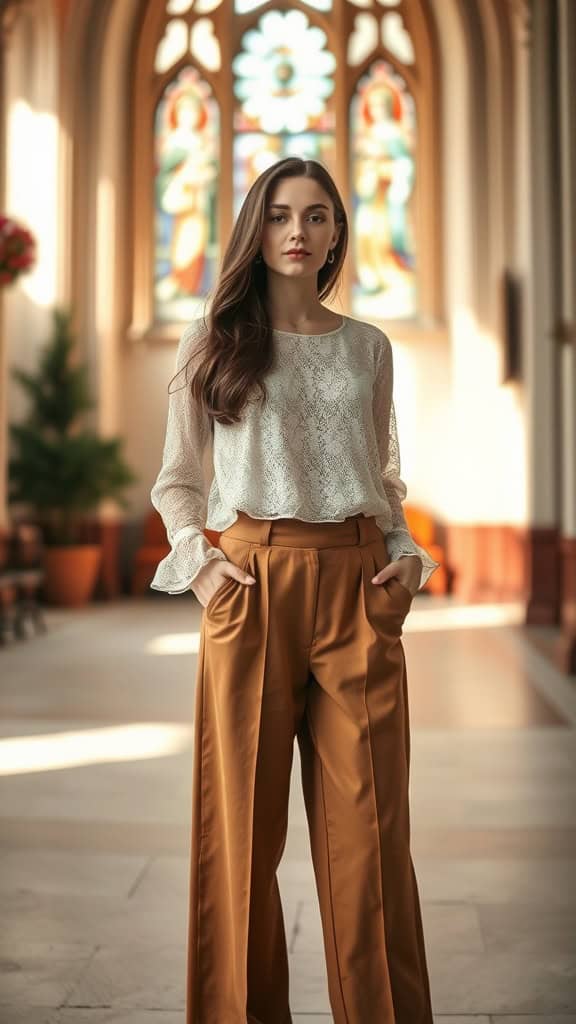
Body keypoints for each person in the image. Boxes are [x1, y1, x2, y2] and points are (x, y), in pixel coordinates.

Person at [149, 155, 440, 1024]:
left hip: (358, 585)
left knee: (372, 837)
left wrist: (404, 557)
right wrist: (201, 569)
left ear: (337, 233)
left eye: (316, 216)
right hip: (251, 582)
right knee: (240, 835)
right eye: (279, 215)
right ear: (256, 228)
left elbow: (384, 477)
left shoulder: (368, 347)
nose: (297, 232)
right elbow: (177, 480)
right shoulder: (213, 342)